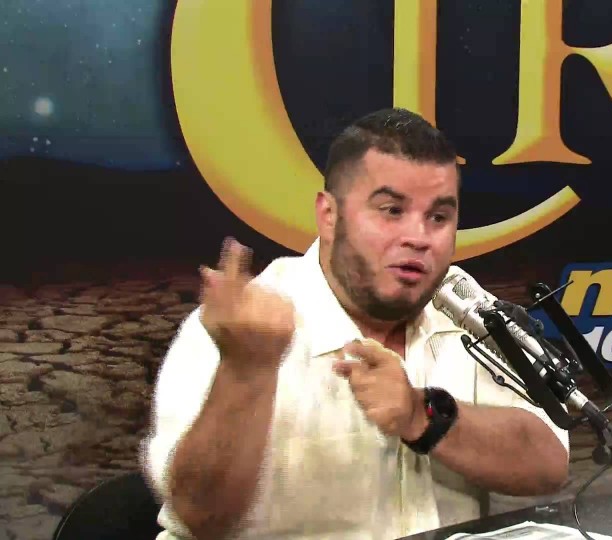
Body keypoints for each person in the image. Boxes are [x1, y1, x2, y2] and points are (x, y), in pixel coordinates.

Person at [140, 107, 570, 540]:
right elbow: (199, 515)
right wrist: (246, 369)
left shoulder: (467, 307)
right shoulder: (244, 326)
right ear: (329, 215)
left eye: (438, 217)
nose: (419, 237)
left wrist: (422, 416)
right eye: (391, 210)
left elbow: (548, 463)